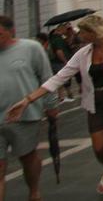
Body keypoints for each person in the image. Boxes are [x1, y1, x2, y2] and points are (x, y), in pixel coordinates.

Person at [9, 14, 103, 201]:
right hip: (96, 101)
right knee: (99, 147)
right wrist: (27, 100)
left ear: (93, 32)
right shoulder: (83, 53)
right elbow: (59, 78)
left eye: (83, 31)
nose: (79, 34)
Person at [0, 15, 57, 201]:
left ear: (11, 31)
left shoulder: (31, 48)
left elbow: (47, 78)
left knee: (28, 158)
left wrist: (50, 105)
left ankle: (34, 191)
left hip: (24, 116)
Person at [49, 22, 77, 103]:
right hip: (58, 62)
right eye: (66, 28)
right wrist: (65, 61)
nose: (66, 30)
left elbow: (68, 44)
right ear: (61, 29)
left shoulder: (54, 37)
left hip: (55, 62)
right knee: (61, 79)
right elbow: (59, 51)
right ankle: (61, 97)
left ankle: (62, 97)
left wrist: (71, 34)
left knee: (60, 79)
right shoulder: (58, 39)